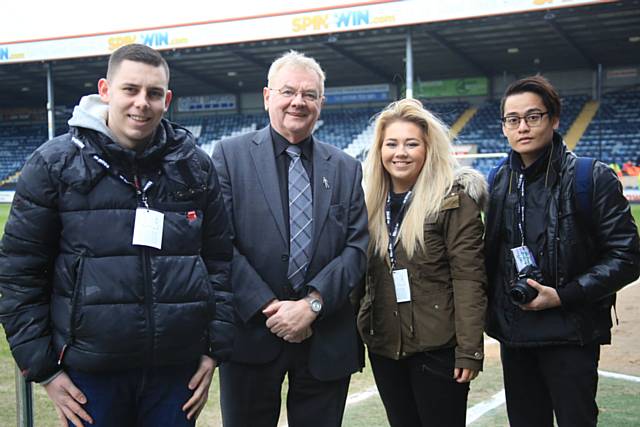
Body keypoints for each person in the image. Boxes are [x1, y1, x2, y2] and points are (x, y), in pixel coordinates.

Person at [0, 43, 234, 427]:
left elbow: (220, 261)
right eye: (130, 89)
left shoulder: (195, 168)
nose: (142, 102)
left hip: (176, 377)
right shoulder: (53, 165)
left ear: (167, 99)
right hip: (90, 376)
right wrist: (44, 368)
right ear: (105, 90)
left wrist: (212, 351)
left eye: (154, 93)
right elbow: (18, 274)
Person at [211, 50, 368, 427]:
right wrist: (271, 307)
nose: (299, 101)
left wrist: (311, 305)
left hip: (326, 335)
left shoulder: (346, 168)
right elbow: (217, 243)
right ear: (267, 97)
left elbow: (357, 247)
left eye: (309, 94)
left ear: (321, 103)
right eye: (288, 91)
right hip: (251, 333)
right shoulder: (229, 156)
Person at [485, 75, 640, 427]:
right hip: (516, 333)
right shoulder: (498, 181)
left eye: (533, 116)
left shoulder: (591, 177)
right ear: (504, 128)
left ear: (554, 120)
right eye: (513, 120)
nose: (522, 127)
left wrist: (564, 296)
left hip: (571, 331)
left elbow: (628, 256)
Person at [356, 98, 487, 427]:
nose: (400, 153)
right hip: (386, 346)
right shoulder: (368, 203)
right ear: (379, 150)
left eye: (411, 144)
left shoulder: (453, 200)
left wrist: (469, 349)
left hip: (438, 348)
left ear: (428, 149)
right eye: (392, 144)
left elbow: (469, 278)